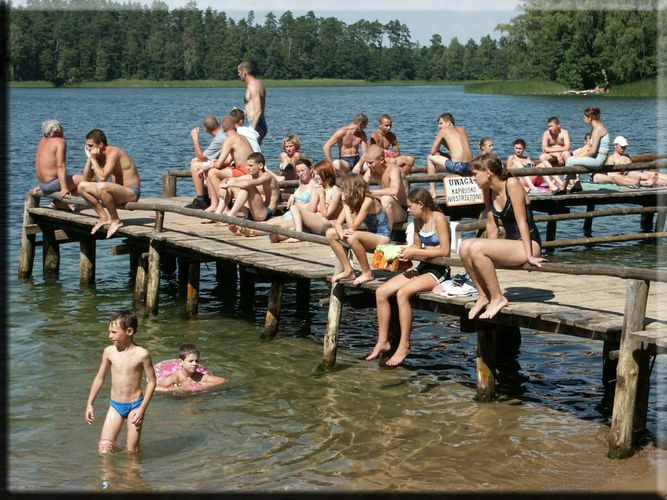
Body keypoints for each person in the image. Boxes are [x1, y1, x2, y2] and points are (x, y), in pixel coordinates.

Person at [367, 188, 451, 366]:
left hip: (439, 270)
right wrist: (405, 253)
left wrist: (415, 251)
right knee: (381, 292)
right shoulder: (417, 220)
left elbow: (445, 250)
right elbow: (416, 246)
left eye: (410, 206)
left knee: (402, 293)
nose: (407, 209)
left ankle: (404, 345)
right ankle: (383, 341)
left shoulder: (439, 218)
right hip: (423, 266)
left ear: (421, 204)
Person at [458, 154, 544, 320]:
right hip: (511, 244)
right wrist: (488, 250)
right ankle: (483, 295)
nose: (473, 178)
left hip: (530, 243)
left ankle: (498, 298)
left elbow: (522, 221)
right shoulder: (488, 191)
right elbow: (492, 225)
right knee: (465, 247)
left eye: (475, 174)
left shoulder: (511, 184)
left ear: (488, 173)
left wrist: (530, 256)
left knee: (476, 248)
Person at [85, 310, 156, 455]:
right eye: (109, 332)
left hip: (135, 406)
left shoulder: (142, 354)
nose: (109, 336)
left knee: (132, 452)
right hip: (115, 405)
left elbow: (152, 382)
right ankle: (108, 477)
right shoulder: (109, 352)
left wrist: (142, 409)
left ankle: (132, 476)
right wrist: (90, 403)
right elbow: (99, 378)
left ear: (129, 331)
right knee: (104, 448)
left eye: (113, 332)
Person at [326, 174, 392, 286]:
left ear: (352, 189)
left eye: (345, 189)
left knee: (353, 237)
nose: (343, 192)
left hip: (382, 236)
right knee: (330, 233)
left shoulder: (368, 201)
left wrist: (345, 206)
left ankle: (367, 273)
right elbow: (338, 223)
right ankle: (348, 270)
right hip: (369, 235)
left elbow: (353, 227)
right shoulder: (354, 200)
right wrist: (341, 234)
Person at [77, 129, 141, 238]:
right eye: (87, 146)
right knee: (81, 187)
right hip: (116, 192)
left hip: (131, 192)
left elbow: (102, 178)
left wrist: (93, 159)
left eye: (90, 146)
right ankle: (104, 217)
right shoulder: (98, 156)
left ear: (100, 144)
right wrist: (90, 159)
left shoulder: (114, 152)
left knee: (102, 186)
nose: (88, 149)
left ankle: (116, 220)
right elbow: (86, 179)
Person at [232, 158, 316, 239]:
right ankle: (246, 230)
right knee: (267, 223)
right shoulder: (301, 184)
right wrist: (292, 195)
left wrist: (296, 203)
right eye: (298, 171)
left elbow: (311, 208)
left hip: (300, 216)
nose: (301, 173)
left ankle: (250, 231)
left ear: (310, 169)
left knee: (275, 226)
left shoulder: (314, 187)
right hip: (289, 214)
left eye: (303, 170)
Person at [204, 116, 255, 214]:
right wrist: (216, 163)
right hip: (249, 169)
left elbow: (218, 165)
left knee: (212, 173)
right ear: (235, 126)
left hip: (244, 170)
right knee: (218, 172)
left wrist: (209, 165)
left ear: (223, 129)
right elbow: (228, 160)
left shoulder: (230, 140)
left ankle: (224, 208)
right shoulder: (242, 137)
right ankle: (216, 205)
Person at [556, 106, 609, 194]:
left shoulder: (598, 130)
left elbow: (593, 151)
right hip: (596, 158)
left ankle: (564, 187)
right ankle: (571, 185)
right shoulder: (595, 128)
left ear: (590, 117)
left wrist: (579, 157)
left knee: (570, 161)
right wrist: (578, 155)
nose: (583, 119)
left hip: (599, 160)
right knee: (571, 160)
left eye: (585, 117)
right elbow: (588, 145)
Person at [283, 160, 342, 238]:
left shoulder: (335, 191)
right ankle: (298, 232)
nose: (316, 177)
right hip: (314, 222)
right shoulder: (318, 188)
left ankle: (298, 235)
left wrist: (321, 195)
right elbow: (311, 209)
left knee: (294, 207)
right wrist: (293, 195)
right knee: (275, 236)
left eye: (318, 174)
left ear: (326, 173)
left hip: (326, 224)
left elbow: (326, 216)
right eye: (315, 174)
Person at [220, 152, 280, 228]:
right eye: (247, 165)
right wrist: (223, 186)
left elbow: (247, 184)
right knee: (232, 184)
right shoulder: (252, 176)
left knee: (247, 186)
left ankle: (230, 216)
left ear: (260, 166)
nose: (247, 168)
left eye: (250, 166)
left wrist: (228, 184)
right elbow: (230, 179)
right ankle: (217, 214)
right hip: (252, 213)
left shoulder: (267, 176)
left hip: (264, 214)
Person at [33, 119, 82, 210]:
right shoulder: (60, 141)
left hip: (42, 185)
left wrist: (41, 185)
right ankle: (61, 202)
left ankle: (60, 203)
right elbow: (61, 165)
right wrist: (64, 188)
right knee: (86, 179)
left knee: (72, 178)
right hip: (51, 185)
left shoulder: (43, 140)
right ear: (59, 130)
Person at [426, 112, 474, 198]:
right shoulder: (463, 130)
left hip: (458, 166)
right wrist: (444, 148)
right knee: (448, 157)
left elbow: (433, 151)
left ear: (448, 123)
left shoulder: (443, 131)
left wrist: (442, 145)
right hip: (471, 166)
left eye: (441, 123)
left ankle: (432, 191)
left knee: (430, 158)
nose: (439, 126)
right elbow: (458, 151)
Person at [363, 144, 408, 230]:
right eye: (367, 162)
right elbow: (360, 186)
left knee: (386, 199)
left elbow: (394, 190)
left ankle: (386, 234)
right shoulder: (372, 171)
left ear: (381, 160)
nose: (368, 165)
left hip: (401, 210)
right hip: (385, 207)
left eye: (371, 162)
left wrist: (372, 192)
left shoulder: (393, 170)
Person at [185, 115, 226, 210]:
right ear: (219, 122)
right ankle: (205, 197)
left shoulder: (219, 139)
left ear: (205, 129)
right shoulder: (223, 133)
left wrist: (195, 138)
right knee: (195, 161)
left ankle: (201, 199)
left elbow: (202, 157)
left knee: (195, 166)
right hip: (225, 164)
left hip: (225, 167)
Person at [594, 136, 666, 186]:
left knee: (654, 174)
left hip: (637, 171)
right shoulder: (612, 158)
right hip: (628, 174)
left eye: (624, 147)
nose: (623, 148)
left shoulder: (627, 156)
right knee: (646, 176)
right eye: (621, 147)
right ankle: (660, 182)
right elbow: (611, 174)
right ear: (615, 145)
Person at [155, 344, 228, 393]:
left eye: (196, 361)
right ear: (181, 362)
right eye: (191, 361)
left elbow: (224, 381)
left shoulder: (199, 376)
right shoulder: (176, 377)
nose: (195, 364)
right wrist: (182, 389)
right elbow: (156, 388)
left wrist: (203, 386)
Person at [238, 61, 267, 144]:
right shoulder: (254, 84)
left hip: (257, 125)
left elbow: (258, 110)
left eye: (239, 72)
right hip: (255, 123)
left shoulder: (254, 86)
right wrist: (241, 113)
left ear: (245, 72)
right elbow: (252, 107)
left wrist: (251, 130)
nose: (238, 75)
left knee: (251, 153)